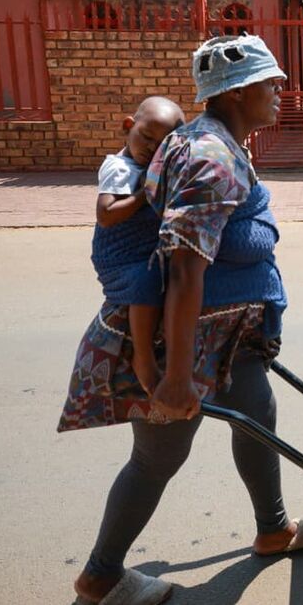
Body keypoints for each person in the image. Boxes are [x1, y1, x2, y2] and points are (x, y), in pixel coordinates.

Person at [61, 34, 303, 605]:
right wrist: (177, 376)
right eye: (271, 81)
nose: (281, 89)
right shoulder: (210, 156)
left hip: (229, 339)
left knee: (256, 415)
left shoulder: (219, 142)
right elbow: (184, 269)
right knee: (160, 456)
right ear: (236, 92)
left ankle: (273, 528)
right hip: (182, 345)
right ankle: (100, 576)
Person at [93, 96, 185, 396]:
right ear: (128, 126)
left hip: (144, 250)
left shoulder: (154, 171)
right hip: (119, 254)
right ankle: (143, 357)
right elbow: (106, 215)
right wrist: (144, 194)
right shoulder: (119, 167)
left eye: (161, 146)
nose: (150, 149)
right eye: (146, 137)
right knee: (146, 282)